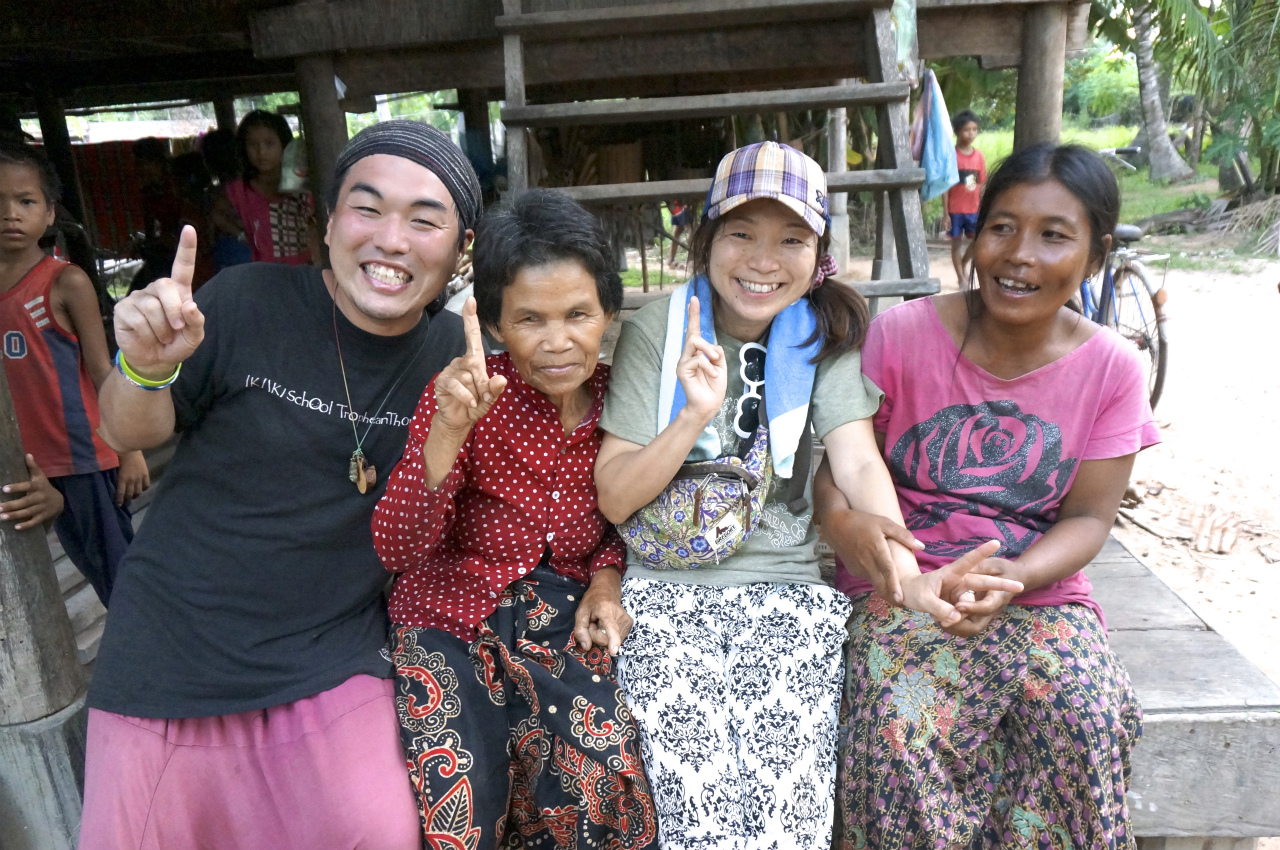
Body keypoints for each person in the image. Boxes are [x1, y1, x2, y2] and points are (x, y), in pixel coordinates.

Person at [78, 121, 482, 850]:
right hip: (174, 645)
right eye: (368, 209)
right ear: (329, 225)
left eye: (426, 221)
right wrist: (142, 366)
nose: (391, 239)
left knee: (380, 832)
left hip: (332, 654)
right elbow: (127, 432)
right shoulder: (244, 301)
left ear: (460, 252)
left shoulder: (456, 361)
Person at [595, 141, 1003, 849]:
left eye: (791, 239)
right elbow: (614, 498)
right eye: (741, 234)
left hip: (787, 590)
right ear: (708, 240)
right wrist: (693, 412)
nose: (762, 260)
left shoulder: (826, 335)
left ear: (819, 254)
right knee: (696, 805)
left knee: (788, 807)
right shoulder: (657, 331)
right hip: (664, 590)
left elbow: (858, 463)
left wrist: (910, 576)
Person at [823, 143, 1159, 850]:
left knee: (1087, 719)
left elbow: (1091, 515)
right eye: (1001, 227)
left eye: (1053, 235)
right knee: (896, 729)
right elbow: (838, 476)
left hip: (1036, 590)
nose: (1019, 254)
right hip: (909, 586)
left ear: (1095, 256)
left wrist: (1015, 574)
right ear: (973, 238)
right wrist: (869, 548)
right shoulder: (902, 334)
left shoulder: (1112, 368)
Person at [372, 189, 658, 848]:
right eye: (530, 319)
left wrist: (606, 582)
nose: (558, 342)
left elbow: (623, 520)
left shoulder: (621, 401)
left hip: (560, 620)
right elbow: (396, 547)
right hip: (448, 618)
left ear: (608, 314)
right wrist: (446, 432)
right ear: (496, 324)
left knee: (605, 785)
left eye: (578, 314)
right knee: (460, 805)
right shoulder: (463, 396)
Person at [0, 140, 149, 605]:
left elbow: (104, 372)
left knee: (121, 578)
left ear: (49, 214)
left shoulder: (65, 282)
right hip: (25, 461)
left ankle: (165, 665)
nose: (11, 214)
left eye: (26, 202)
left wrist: (131, 448)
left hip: (83, 456)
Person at [212, 109, 316, 266]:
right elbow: (217, 214)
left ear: (284, 144)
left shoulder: (303, 183)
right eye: (253, 145)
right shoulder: (240, 190)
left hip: (304, 274)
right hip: (263, 278)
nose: (261, 152)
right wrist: (241, 235)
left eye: (269, 143)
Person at [942, 109, 986, 286]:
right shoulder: (951, 156)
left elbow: (981, 183)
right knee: (956, 245)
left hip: (973, 209)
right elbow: (946, 187)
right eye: (967, 129)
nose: (971, 133)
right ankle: (961, 278)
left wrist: (983, 206)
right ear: (956, 131)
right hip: (955, 210)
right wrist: (946, 213)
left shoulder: (979, 156)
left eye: (974, 129)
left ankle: (964, 262)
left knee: (977, 240)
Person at [667, 200, 692, 269]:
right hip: (681, 202)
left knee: (679, 229)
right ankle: (691, 260)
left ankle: (671, 259)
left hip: (676, 203)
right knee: (691, 227)